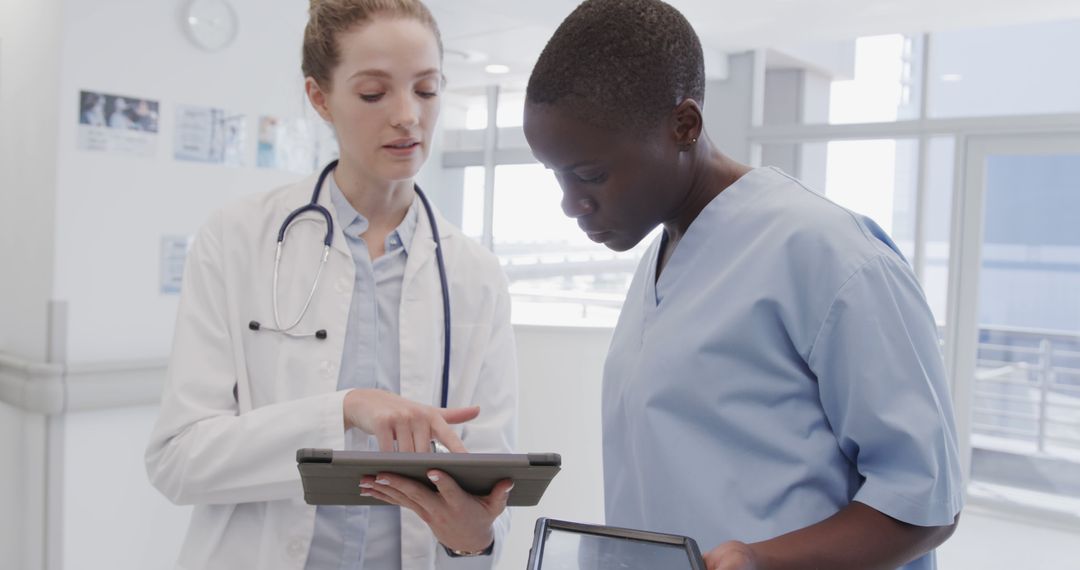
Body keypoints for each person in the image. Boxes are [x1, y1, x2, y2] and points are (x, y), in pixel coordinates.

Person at [522, 1, 963, 569]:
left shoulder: (829, 254)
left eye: (590, 175)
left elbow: (923, 500)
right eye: (557, 175)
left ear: (684, 125)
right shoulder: (665, 255)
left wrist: (760, 560)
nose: (570, 204)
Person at [145, 1, 518, 569]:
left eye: (426, 89)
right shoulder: (237, 239)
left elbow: (491, 480)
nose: (407, 116)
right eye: (374, 93)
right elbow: (179, 460)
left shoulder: (475, 275)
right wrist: (343, 409)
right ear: (320, 98)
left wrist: (474, 538)